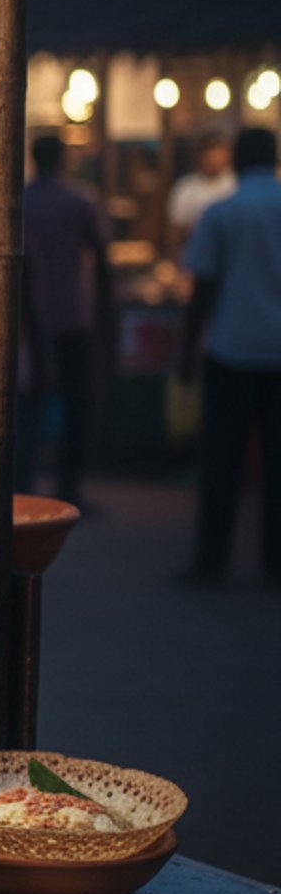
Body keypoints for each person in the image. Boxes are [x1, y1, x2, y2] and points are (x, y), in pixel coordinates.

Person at [180, 126, 281, 586]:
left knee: (222, 462)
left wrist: (186, 350)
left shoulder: (222, 213)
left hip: (231, 349)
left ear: (238, 160)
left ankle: (212, 561)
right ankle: (274, 562)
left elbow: (202, 288)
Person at [20, 134, 110, 509]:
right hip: (73, 315)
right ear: (62, 160)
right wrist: (106, 312)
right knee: (76, 404)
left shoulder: (21, 200)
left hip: (29, 316)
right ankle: (67, 486)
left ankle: (22, 486)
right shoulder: (80, 201)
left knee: (29, 403)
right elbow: (102, 259)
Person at [168, 132, 236, 256]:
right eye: (207, 154)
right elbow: (176, 231)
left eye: (216, 154)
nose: (211, 159)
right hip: (196, 253)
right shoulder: (186, 188)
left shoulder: (236, 184)